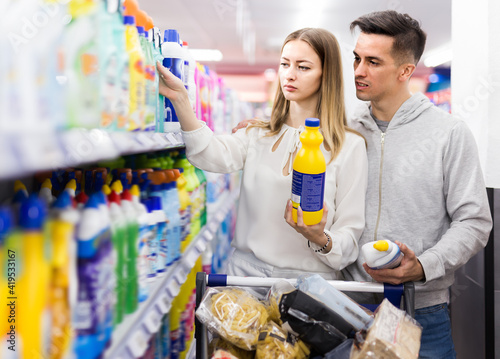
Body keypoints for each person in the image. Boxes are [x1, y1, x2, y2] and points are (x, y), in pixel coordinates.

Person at [156, 28, 368, 284]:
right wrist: (180, 100)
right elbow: (209, 155)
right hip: (246, 278)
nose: (289, 74)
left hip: (309, 286)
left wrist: (319, 238)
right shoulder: (257, 135)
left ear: (326, 75)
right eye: (284, 64)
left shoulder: (349, 146)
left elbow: (348, 236)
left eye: (303, 67)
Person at [342, 10, 492, 359]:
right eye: (357, 58)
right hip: (349, 305)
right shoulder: (345, 131)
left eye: (373, 62)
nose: (359, 71)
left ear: (405, 70)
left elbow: (474, 220)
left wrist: (423, 265)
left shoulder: (448, 133)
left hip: (421, 313)